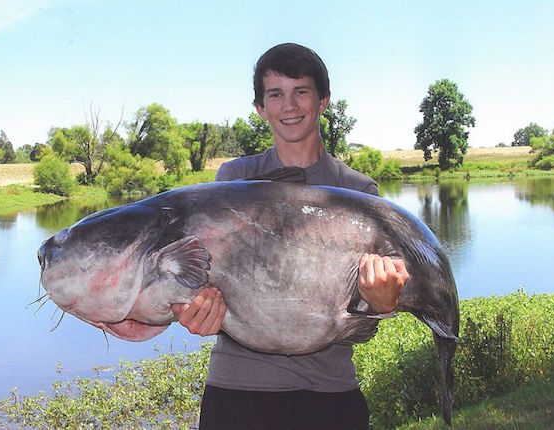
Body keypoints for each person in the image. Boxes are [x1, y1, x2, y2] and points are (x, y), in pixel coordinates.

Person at [171, 42, 410, 429]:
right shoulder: (232, 181)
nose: (290, 106)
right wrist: (195, 310)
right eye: (276, 95)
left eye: (301, 91)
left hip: (330, 395)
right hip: (236, 393)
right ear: (261, 109)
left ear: (324, 100)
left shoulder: (358, 192)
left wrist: (380, 303)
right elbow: (205, 279)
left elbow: (361, 317)